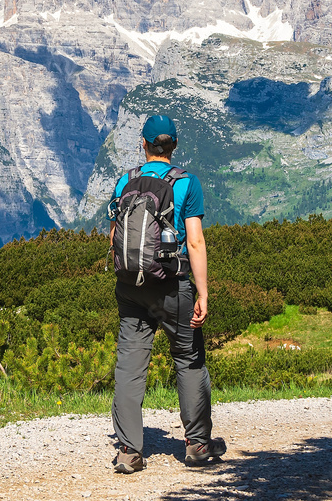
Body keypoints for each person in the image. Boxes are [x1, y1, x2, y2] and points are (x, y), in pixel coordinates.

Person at [109, 114, 226, 473]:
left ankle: (129, 451)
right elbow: (195, 240)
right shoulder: (186, 183)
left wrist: (127, 276)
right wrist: (203, 293)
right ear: (173, 145)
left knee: (130, 366)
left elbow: (114, 236)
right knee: (188, 359)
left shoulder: (124, 182)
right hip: (174, 287)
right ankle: (197, 446)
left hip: (130, 287)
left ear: (142, 145)